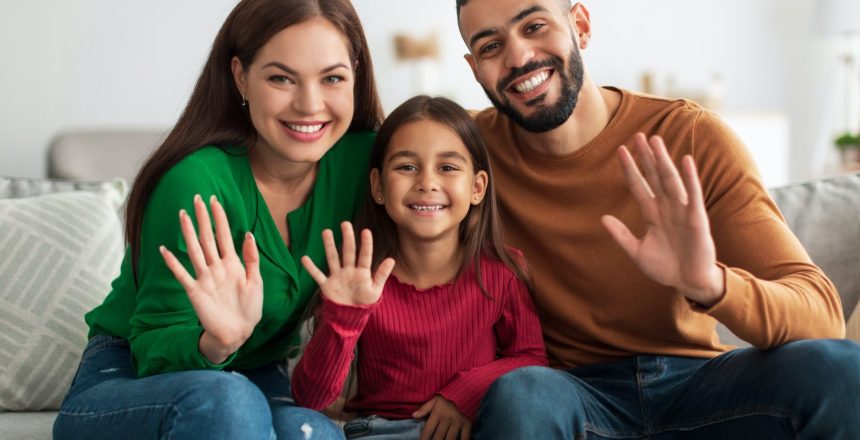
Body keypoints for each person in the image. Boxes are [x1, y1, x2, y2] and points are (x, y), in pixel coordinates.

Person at [454, 0, 860, 438]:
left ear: (581, 25)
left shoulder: (690, 136)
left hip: (700, 387)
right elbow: (381, 144)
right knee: (522, 394)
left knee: (837, 371)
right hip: (573, 396)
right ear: (475, 68)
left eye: (534, 26)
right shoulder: (464, 155)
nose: (518, 57)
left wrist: (711, 285)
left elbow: (822, 317)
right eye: (492, 46)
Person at [53, 0, 382, 439]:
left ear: (356, 76)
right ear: (241, 77)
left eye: (333, 78)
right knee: (229, 403)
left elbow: (459, 153)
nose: (310, 104)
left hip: (257, 371)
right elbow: (151, 348)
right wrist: (218, 343)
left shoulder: (371, 164)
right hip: (130, 372)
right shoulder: (194, 182)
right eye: (281, 78)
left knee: (312, 431)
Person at [290, 95, 548, 440]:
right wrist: (343, 320)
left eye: (448, 167)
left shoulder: (501, 271)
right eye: (407, 167)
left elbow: (531, 360)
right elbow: (311, 398)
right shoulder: (358, 280)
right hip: (378, 431)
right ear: (379, 187)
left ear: (477, 187)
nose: (427, 182)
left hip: (473, 429)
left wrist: (465, 392)